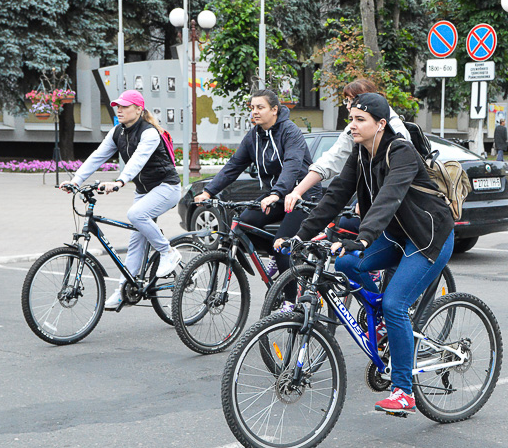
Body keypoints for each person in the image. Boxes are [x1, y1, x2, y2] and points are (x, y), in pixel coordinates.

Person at [276, 93, 455, 416]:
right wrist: (300, 235)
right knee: (346, 264)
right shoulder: (361, 154)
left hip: (429, 238)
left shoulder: (401, 151)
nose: (352, 125)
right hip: (398, 236)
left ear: (381, 124)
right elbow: (335, 195)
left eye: (360, 120)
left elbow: (389, 197)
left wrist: (363, 238)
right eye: (351, 119)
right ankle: (385, 320)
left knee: (395, 303)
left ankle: (404, 391)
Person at [194, 89, 321, 300]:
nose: (254, 112)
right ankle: (277, 255)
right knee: (243, 225)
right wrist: (208, 191)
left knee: (282, 245)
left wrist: (277, 193)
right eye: (252, 107)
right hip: (276, 195)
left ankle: (291, 302)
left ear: (274, 110)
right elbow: (234, 165)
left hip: (302, 196)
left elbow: (292, 164)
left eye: (260, 107)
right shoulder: (254, 136)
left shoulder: (290, 132)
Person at [61, 90, 182, 309]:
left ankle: (168, 252)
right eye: (118, 106)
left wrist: (120, 181)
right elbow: (98, 156)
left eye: (125, 106)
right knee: (135, 242)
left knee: (136, 214)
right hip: (144, 191)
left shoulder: (149, 133)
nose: (119, 110)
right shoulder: (118, 132)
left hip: (167, 187)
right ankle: (124, 290)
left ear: (138, 109)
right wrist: (76, 180)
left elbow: (137, 160)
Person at [283, 79, 411, 214]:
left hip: (401, 198)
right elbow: (333, 159)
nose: (349, 106)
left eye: (354, 100)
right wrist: (297, 191)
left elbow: (398, 176)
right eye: (347, 101)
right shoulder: (353, 130)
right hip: (375, 193)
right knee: (341, 219)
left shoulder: (397, 131)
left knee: (352, 223)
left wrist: (371, 201)